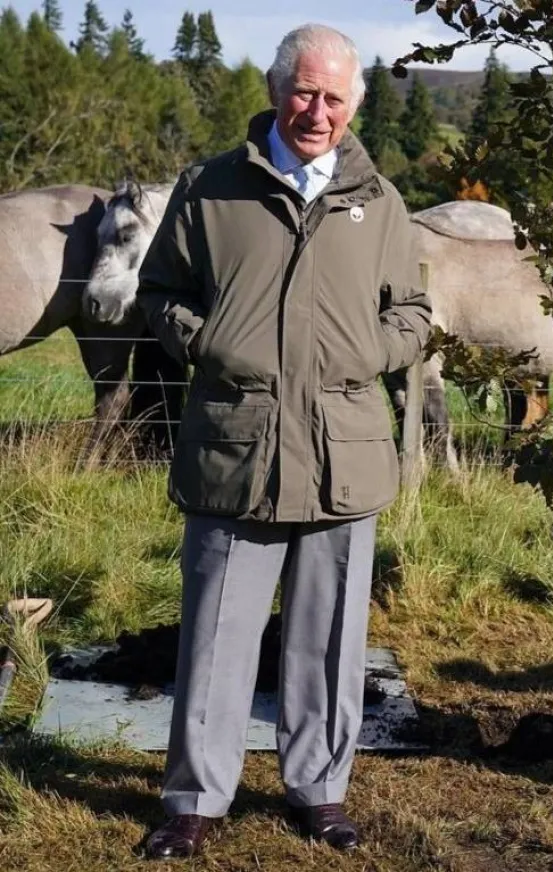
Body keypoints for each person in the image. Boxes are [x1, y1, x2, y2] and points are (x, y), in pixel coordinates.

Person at [135, 24, 431, 859]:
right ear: (274, 92)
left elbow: (413, 313)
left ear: (353, 106)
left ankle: (320, 792)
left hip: (344, 452)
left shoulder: (379, 201)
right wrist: (209, 342)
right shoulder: (210, 189)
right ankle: (195, 800)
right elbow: (160, 291)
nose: (318, 111)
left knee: (330, 637)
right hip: (238, 446)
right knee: (215, 633)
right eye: (305, 91)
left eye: (334, 98)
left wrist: (368, 353)